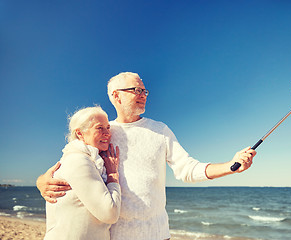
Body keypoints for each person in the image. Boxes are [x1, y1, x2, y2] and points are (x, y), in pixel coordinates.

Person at [37, 72, 256, 240]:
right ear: (116, 96)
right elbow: (71, 163)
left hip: (157, 234)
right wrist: (41, 181)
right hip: (116, 235)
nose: (143, 95)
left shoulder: (160, 130)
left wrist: (231, 165)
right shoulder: (103, 133)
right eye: (136, 90)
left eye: (144, 91)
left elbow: (188, 169)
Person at [43, 106, 122, 240]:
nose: (107, 133)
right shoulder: (78, 161)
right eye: (99, 128)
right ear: (80, 133)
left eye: (108, 127)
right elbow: (110, 213)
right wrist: (112, 175)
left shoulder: (89, 160)